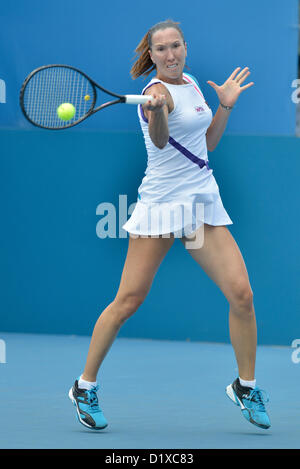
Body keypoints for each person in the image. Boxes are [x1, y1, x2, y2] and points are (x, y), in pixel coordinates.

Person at [69, 19, 270, 430]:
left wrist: (226, 104)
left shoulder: (193, 83)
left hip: (199, 206)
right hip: (162, 207)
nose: (170, 54)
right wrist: (157, 112)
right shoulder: (154, 93)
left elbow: (208, 143)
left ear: (184, 47)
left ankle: (246, 386)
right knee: (128, 300)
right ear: (152, 55)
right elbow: (160, 141)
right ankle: (84, 386)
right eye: (161, 49)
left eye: (175, 46)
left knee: (242, 295)